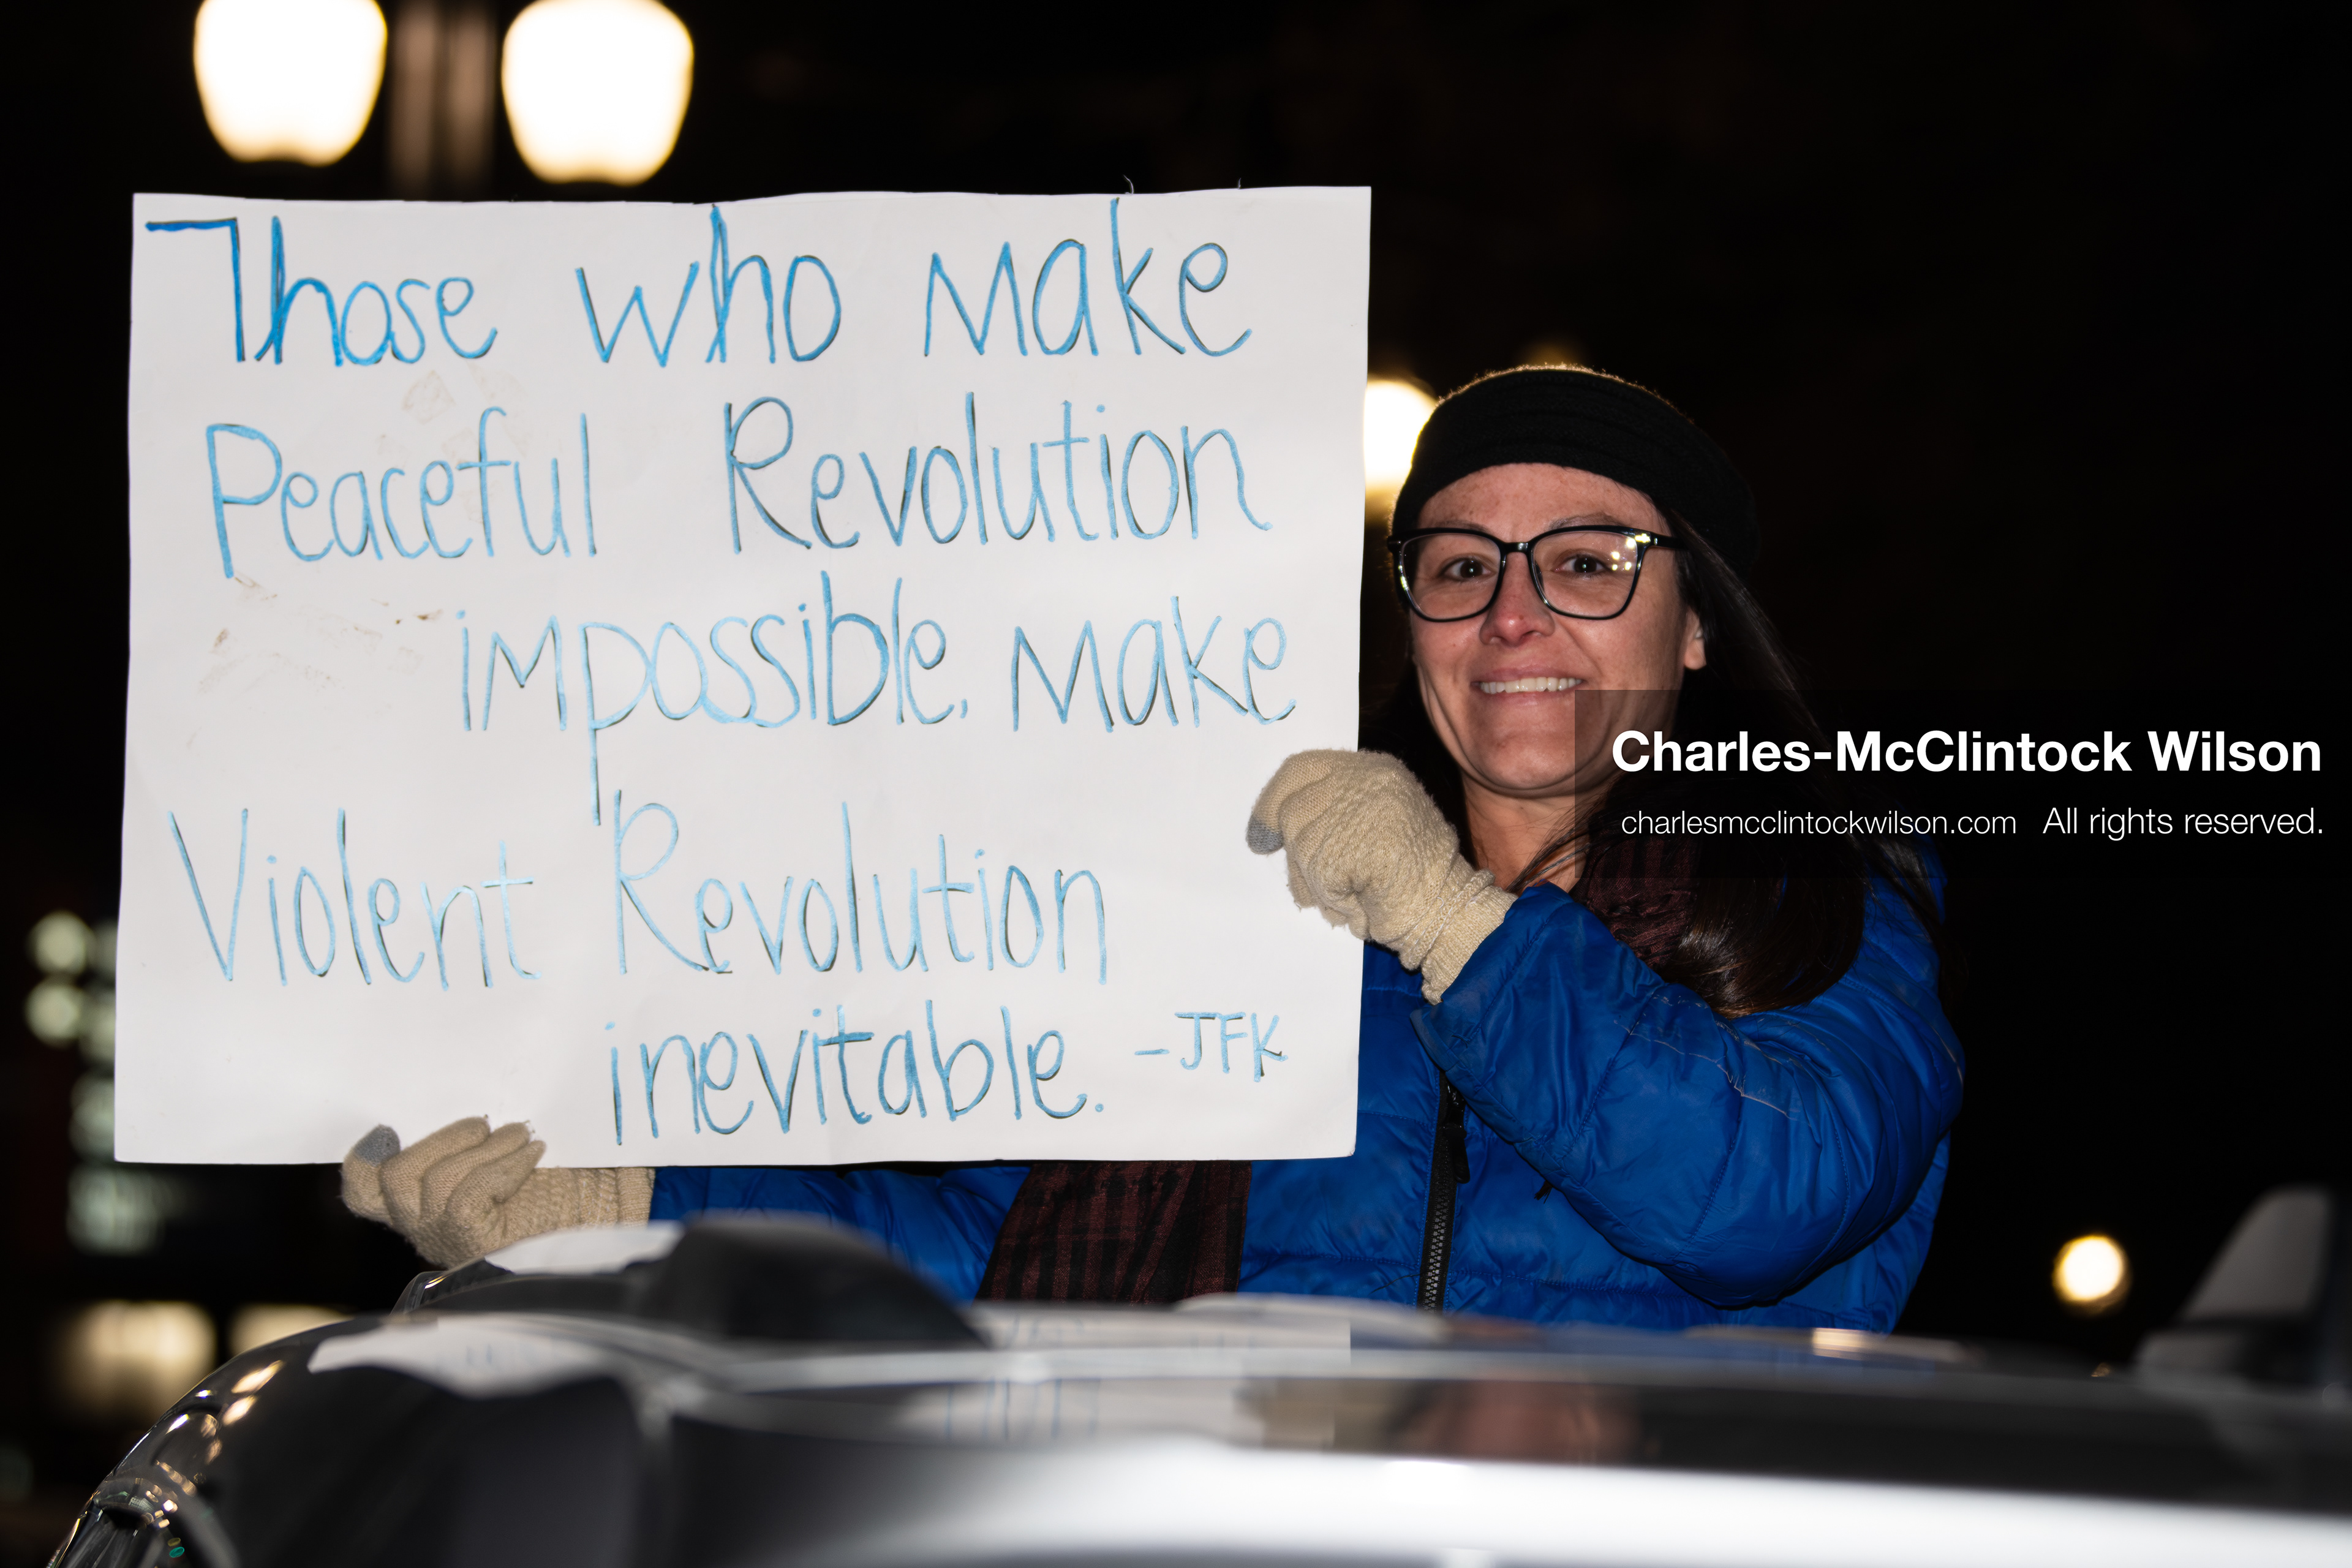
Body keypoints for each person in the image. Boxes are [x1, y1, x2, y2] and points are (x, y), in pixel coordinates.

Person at [345, 367, 1962, 1332]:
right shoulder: (1260, 928)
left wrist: (1455, 924)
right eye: (1461, 564)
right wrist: (624, 1202)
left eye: (1589, 562)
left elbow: (1757, 1191)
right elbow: (986, 1239)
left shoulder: (1825, 900)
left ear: (1696, 634)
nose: (1518, 609)